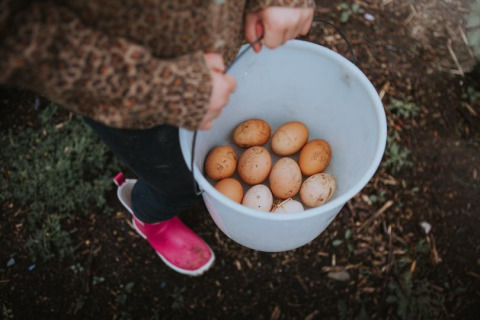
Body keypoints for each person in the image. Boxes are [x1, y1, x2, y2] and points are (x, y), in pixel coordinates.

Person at [0, 0, 315, 276]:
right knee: (178, 180)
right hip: (135, 99)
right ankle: (150, 216)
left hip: (223, 53)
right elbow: (18, 29)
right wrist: (165, 88)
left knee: (201, 165)